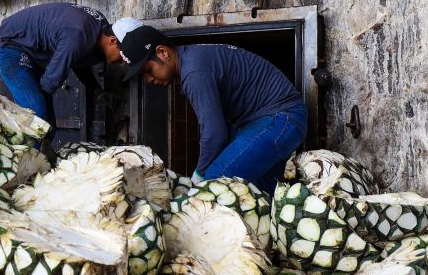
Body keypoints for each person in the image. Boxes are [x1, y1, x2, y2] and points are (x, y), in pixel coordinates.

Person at [119, 23, 307, 194]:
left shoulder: (194, 72)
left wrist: (199, 176)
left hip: (280, 119)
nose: (148, 79)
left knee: (212, 184)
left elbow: (215, 133)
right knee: (261, 196)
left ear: (162, 52)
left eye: (147, 70)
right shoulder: (192, 60)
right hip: (276, 121)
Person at [0, 3, 127, 143]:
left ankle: (39, 153)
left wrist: (97, 90)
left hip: (32, 51)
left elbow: (77, 60)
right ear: (112, 41)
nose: (122, 62)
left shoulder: (97, 30)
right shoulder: (78, 34)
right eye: (123, 56)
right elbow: (51, 80)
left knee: (48, 125)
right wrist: (39, 110)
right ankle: (22, 154)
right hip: (9, 46)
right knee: (36, 113)